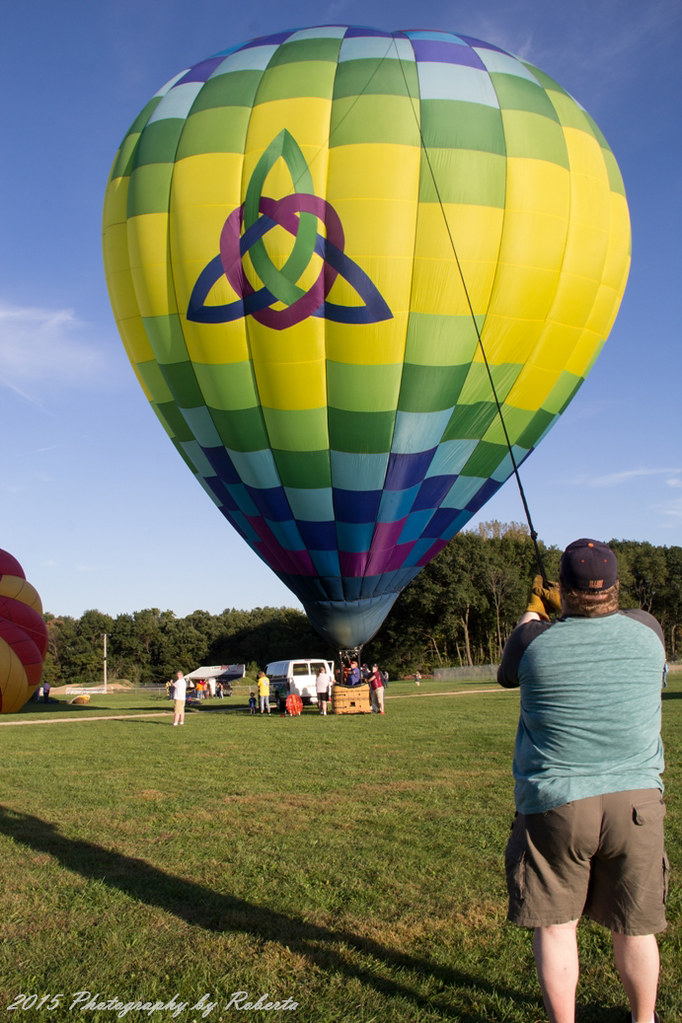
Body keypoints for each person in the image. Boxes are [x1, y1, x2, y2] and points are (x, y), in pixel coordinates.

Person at [498, 539, 668, 1023]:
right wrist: (573, 610)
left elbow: (510, 669)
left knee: (555, 927)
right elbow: (629, 622)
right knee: (635, 929)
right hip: (636, 802)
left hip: (556, 804)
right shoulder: (649, 630)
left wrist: (537, 612)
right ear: (615, 586)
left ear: (562, 590)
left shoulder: (532, 640)